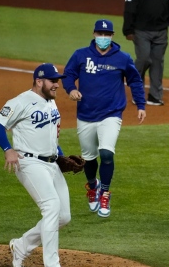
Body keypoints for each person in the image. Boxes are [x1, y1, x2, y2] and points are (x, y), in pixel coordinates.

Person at [0, 63, 73, 267]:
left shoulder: (51, 101)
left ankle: (21, 246)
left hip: (51, 164)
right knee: (51, 208)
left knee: (63, 217)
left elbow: (51, 134)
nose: (57, 84)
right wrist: (8, 149)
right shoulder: (20, 102)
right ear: (39, 81)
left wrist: (61, 155)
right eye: (53, 80)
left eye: (58, 80)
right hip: (29, 163)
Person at [63, 19, 147, 218]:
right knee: (89, 158)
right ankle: (93, 186)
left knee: (106, 154)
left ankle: (105, 193)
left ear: (112, 36)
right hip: (85, 114)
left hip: (111, 114)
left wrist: (141, 105)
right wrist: (72, 89)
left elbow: (135, 81)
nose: (103, 37)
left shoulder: (122, 58)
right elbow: (68, 75)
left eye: (106, 34)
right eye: (100, 33)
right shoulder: (80, 55)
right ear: (94, 34)